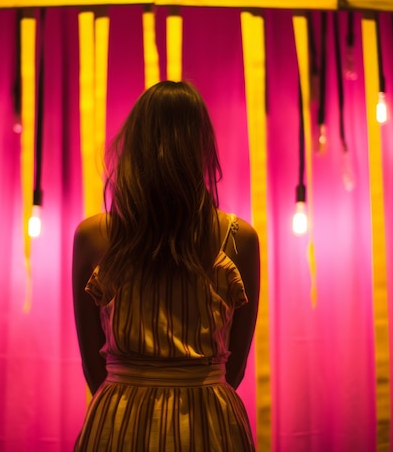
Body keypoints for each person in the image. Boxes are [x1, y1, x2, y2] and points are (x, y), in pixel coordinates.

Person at [72, 80, 260, 451]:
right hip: (211, 422)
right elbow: (235, 368)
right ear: (203, 148)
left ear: (135, 145)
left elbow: (92, 363)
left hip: (117, 419)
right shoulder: (240, 239)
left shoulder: (94, 235)